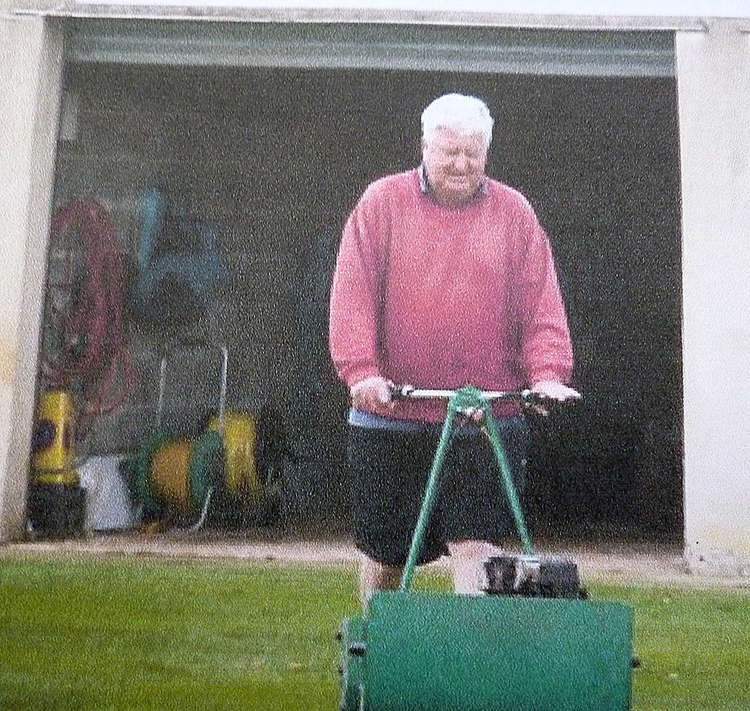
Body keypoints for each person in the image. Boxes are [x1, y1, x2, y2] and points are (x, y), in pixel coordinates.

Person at [329, 93, 579, 604]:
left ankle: (466, 663)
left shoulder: (514, 213)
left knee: (477, 547)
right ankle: (380, 650)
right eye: (450, 153)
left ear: (486, 151)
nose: (462, 164)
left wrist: (548, 372)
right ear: (425, 147)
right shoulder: (382, 203)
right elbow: (352, 294)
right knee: (387, 552)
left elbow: (540, 303)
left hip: (486, 415)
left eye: (473, 153)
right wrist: (362, 373)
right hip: (392, 414)